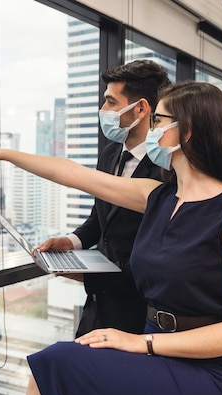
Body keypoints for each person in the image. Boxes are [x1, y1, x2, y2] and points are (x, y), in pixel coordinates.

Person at [0, 80, 222, 395]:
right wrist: (5, 155)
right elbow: (74, 174)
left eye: (157, 120)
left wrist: (143, 343)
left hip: (210, 373)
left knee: (52, 364)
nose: (150, 129)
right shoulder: (156, 196)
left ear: (187, 131)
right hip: (155, 348)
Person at [37, 59, 170, 337]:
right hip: (98, 308)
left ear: (141, 108)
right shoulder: (110, 154)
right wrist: (72, 241)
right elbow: (100, 220)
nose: (103, 110)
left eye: (111, 102)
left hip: (139, 312)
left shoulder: (167, 170)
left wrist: (87, 277)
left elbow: (157, 256)